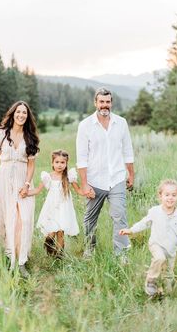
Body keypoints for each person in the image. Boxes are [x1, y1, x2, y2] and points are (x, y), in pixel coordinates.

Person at [76, 87, 134, 259]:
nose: (105, 105)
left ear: (111, 103)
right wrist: (85, 184)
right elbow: (82, 158)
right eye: (101, 101)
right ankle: (89, 249)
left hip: (116, 178)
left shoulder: (121, 123)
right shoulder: (85, 125)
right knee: (90, 219)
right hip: (94, 181)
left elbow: (128, 151)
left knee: (120, 217)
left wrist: (131, 175)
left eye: (108, 102)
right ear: (95, 103)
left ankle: (121, 253)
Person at [0, 101, 39, 278]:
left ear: (27, 116)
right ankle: (9, 258)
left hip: (22, 182)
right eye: (18, 112)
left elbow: (32, 165)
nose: (21, 115)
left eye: (24, 113)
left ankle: (22, 261)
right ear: (13, 113)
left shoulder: (30, 136)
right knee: (5, 218)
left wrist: (26, 184)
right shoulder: (2, 134)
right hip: (3, 180)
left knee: (23, 220)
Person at [120, 179, 177, 296]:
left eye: (174, 195)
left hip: (171, 250)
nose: (170, 198)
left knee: (168, 275)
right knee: (159, 258)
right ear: (160, 196)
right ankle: (151, 280)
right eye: (167, 195)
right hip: (156, 244)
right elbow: (144, 223)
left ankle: (165, 294)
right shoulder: (155, 211)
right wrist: (131, 230)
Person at [28, 149, 87, 259]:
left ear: (66, 163)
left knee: (61, 232)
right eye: (57, 162)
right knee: (51, 233)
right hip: (51, 208)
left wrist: (88, 192)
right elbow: (37, 190)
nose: (59, 165)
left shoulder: (69, 176)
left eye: (62, 162)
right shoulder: (48, 176)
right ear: (52, 163)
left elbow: (79, 190)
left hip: (64, 207)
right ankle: (49, 250)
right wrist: (26, 192)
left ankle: (60, 255)